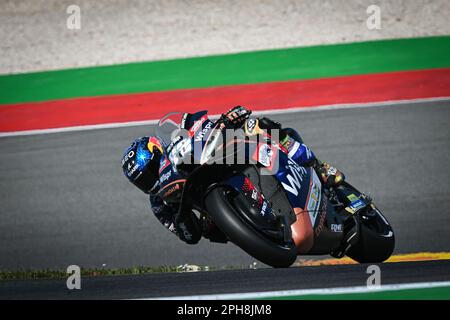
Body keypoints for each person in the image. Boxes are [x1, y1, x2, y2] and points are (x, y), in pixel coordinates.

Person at [121, 106, 345, 249]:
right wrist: (186, 222)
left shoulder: (177, 143)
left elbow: (201, 124)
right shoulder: (159, 203)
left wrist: (228, 119)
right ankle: (264, 227)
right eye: (142, 182)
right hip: (228, 215)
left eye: (149, 173)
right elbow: (189, 237)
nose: (149, 183)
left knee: (258, 127)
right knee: (214, 232)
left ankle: (318, 166)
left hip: (224, 158)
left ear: (158, 151)